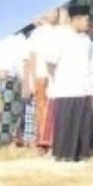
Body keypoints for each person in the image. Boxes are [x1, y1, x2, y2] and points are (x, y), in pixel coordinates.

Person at [48, 3, 93, 162]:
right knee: (66, 122)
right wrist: (58, 79)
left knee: (83, 122)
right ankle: (63, 154)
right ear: (75, 19)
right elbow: (51, 63)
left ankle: (81, 154)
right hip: (65, 87)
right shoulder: (61, 36)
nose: (87, 23)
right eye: (85, 20)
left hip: (83, 87)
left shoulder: (87, 40)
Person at [26, 10, 62, 152]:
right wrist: (31, 78)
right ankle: (42, 142)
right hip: (41, 75)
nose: (53, 14)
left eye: (56, 11)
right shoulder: (37, 33)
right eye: (50, 11)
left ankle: (55, 140)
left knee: (56, 109)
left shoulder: (62, 32)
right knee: (41, 108)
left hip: (59, 76)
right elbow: (32, 57)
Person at [0, 32, 29, 146]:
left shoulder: (22, 39)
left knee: (16, 110)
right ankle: (4, 139)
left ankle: (13, 137)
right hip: (5, 77)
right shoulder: (2, 37)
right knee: (4, 110)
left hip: (18, 78)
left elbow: (24, 61)